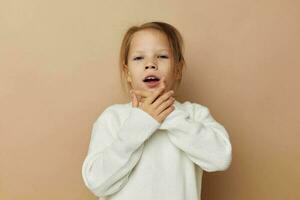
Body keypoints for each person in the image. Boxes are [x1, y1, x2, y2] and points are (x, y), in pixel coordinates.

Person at [81, 21, 232, 200]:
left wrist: (169, 114)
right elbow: (97, 182)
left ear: (178, 69)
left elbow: (220, 158)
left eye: (162, 56)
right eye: (139, 58)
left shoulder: (193, 115)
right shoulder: (112, 118)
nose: (150, 64)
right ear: (127, 73)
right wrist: (140, 123)